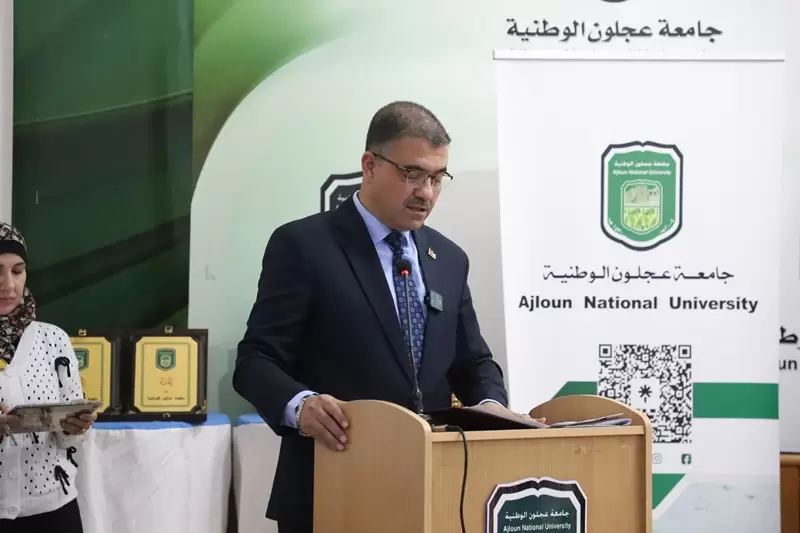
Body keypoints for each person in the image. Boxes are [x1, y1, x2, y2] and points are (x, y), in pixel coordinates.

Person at [234, 101, 519, 533]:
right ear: (369, 165)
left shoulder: (448, 259)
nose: (426, 193)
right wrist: (302, 405)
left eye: (437, 178)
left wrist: (492, 409)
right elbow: (256, 361)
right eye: (412, 174)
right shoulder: (305, 245)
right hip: (331, 486)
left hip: (434, 492)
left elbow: (472, 362)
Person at [0, 222, 96, 533]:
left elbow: (68, 438)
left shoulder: (53, 339)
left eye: (17, 271)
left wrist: (75, 426)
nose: (8, 284)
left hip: (53, 511)